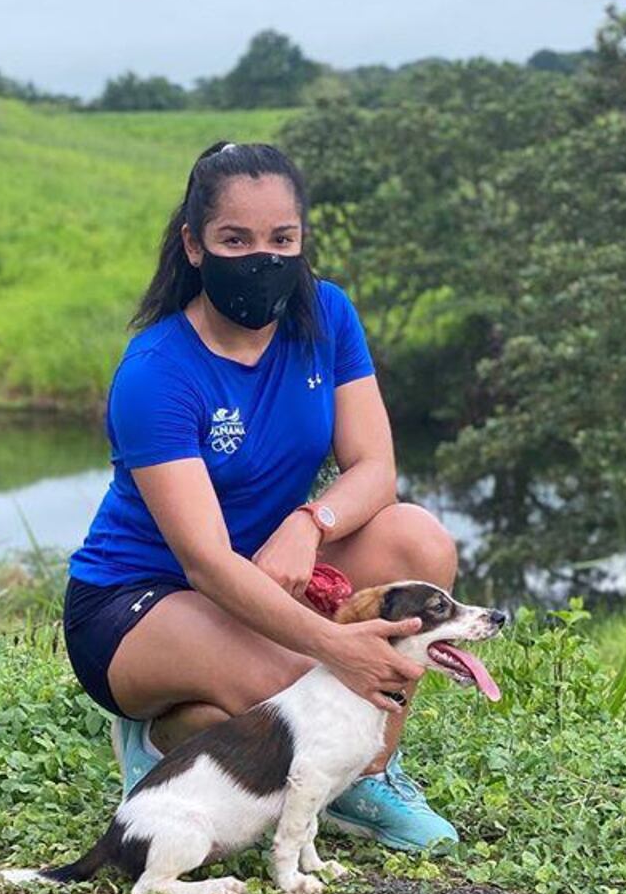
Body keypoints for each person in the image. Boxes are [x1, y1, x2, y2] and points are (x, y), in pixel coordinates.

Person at [62, 141, 461, 851]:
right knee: (296, 683)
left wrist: (312, 521)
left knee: (418, 542)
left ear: (303, 238)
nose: (263, 259)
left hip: (272, 561)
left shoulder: (327, 316)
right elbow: (208, 563)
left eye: (283, 239)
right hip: (144, 598)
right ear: (193, 244)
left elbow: (374, 467)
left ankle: (370, 771)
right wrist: (337, 647)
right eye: (235, 240)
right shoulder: (157, 371)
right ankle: (153, 727)